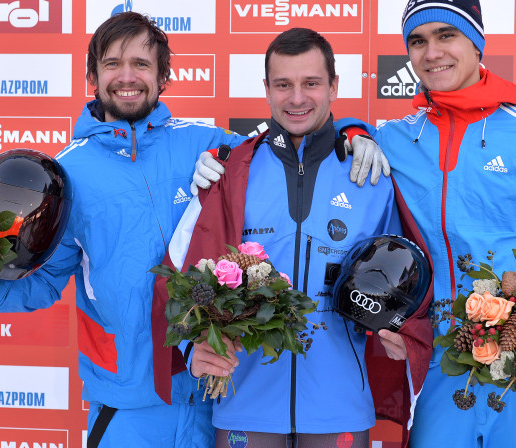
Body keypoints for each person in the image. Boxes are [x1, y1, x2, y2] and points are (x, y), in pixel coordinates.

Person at [0, 12, 389, 448]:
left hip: (217, 394)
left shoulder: (207, 143)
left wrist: (351, 131)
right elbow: (41, 284)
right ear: (92, 75)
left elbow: (290, 140)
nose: (127, 76)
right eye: (112, 64)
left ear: (163, 76)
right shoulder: (68, 174)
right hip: (129, 403)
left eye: (141, 63)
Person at [343, 1, 516, 446]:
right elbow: (331, 130)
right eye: (418, 40)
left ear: (476, 43)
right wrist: (352, 134)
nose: (431, 52)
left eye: (445, 35)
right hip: (442, 362)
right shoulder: (396, 138)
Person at [164, 28, 433, 448]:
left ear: (334, 86)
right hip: (243, 402)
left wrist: (406, 333)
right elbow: (181, 274)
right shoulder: (231, 172)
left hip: (339, 403)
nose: (297, 98)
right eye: (283, 84)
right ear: (267, 89)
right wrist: (188, 348)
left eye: (311, 83)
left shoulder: (371, 175)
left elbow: (408, 280)